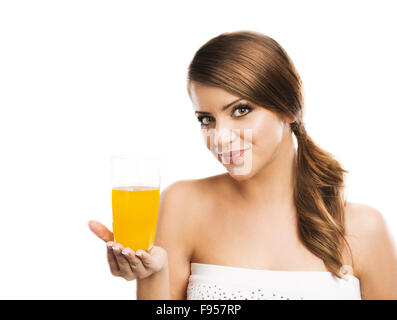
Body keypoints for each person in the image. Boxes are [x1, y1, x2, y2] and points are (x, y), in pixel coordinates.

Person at [88, 30, 397, 300]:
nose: (220, 137)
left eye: (240, 110)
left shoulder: (363, 229)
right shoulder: (183, 204)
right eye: (206, 119)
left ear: (290, 108)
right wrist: (151, 275)